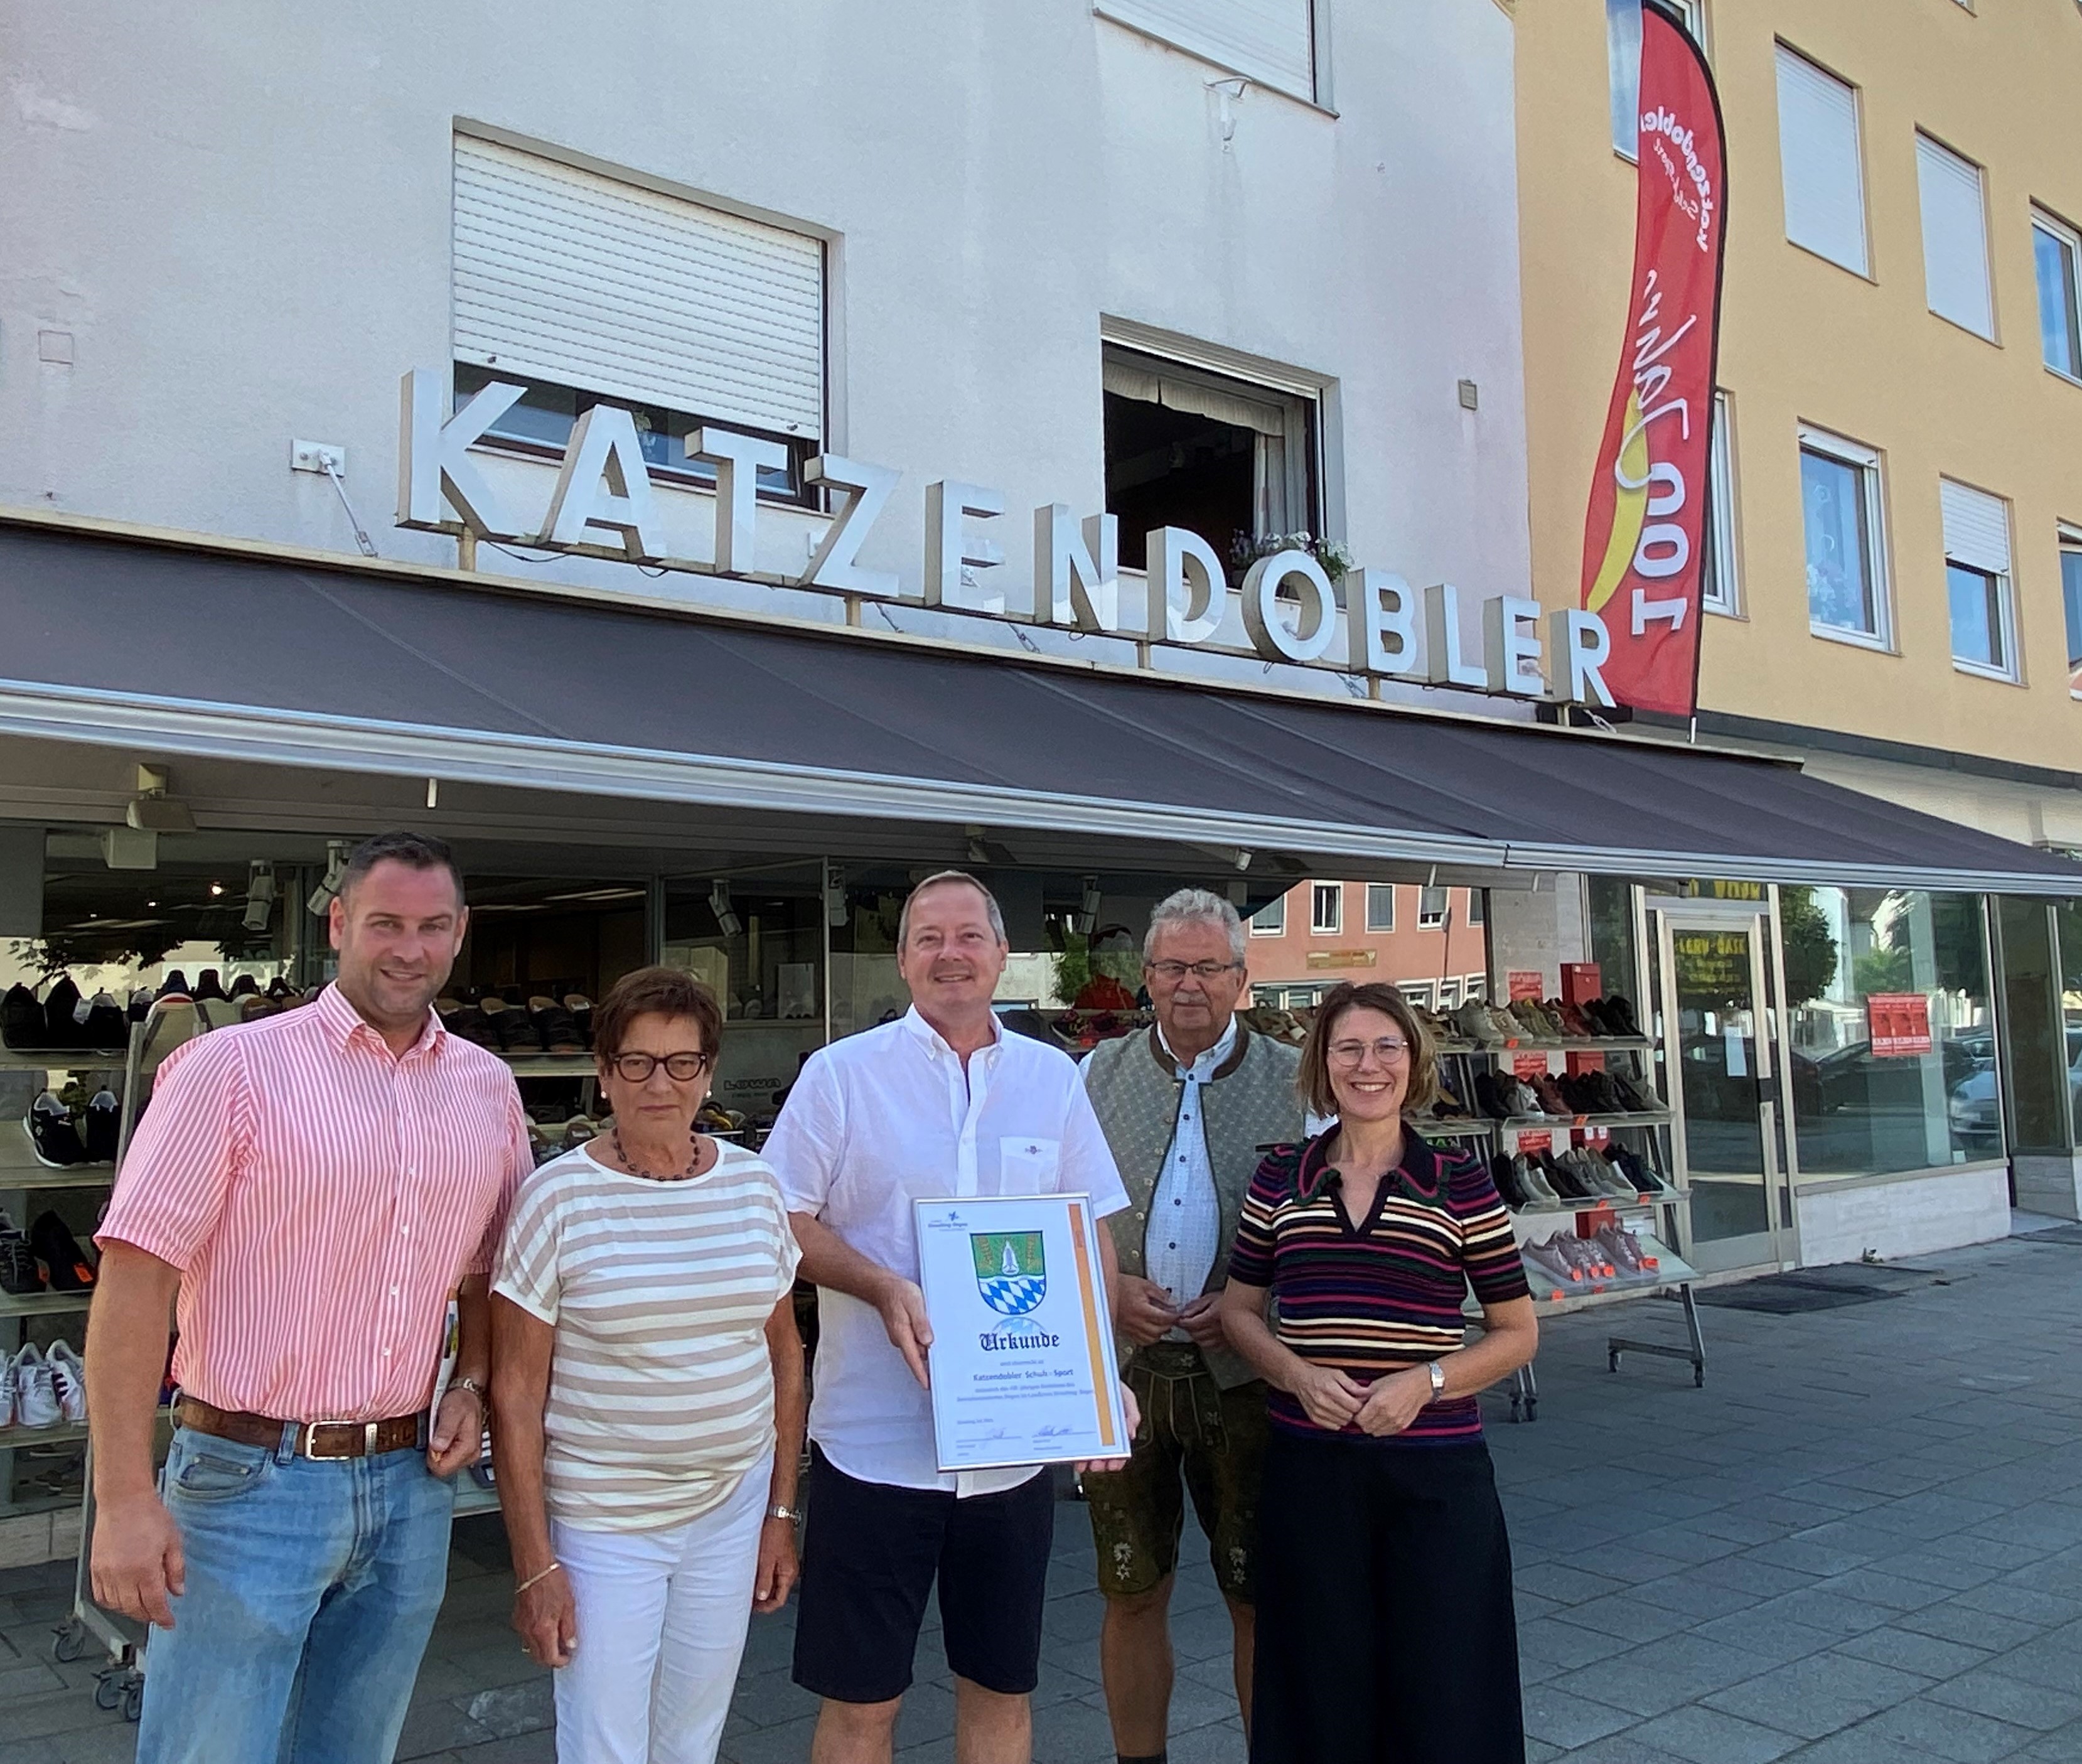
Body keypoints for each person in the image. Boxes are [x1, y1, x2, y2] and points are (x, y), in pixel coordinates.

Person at [85, 831, 530, 1764]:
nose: (408, 947)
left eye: (432, 925)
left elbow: (490, 1270)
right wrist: (124, 1495)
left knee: (352, 1750)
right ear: (338, 923)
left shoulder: (487, 1088)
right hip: (246, 1480)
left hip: (412, 1483)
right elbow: (135, 1278)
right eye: (385, 923)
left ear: (460, 934)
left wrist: (475, 1380)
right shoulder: (231, 1070)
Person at [765, 870, 1137, 1764]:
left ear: (1003, 955)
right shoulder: (841, 1076)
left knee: (1001, 1692)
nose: (950, 954)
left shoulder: (1052, 1079)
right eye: (929, 938)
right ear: (901, 961)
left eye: (969, 936)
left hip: (1011, 1458)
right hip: (874, 1445)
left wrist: (1101, 1371)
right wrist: (880, 1283)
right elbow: (781, 1218)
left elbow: (1088, 1233)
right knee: (862, 1706)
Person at [491, 965, 805, 1764]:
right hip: (606, 1525)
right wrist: (534, 1564)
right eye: (635, 1061)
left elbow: (784, 1357)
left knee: (691, 1738)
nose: (657, 1082)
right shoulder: (556, 1197)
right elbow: (517, 1393)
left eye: (680, 1061)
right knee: (605, 1744)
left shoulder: (755, 1186)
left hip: (730, 1514)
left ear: (708, 1071)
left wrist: (778, 1512)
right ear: (603, 1072)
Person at [1220, 981, 1538, 1764]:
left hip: (1435, 1477)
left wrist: (1424, 1382)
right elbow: (1237, 1312)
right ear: (1322, 1066)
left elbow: (1516, 1332)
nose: (1369, 1065)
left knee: (1445, 1688)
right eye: (1348, 1048)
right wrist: (1294, 1374)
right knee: (1316, 1686)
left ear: (1413, 1059)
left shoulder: (1461, 1181)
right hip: (1310, 1469)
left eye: (1386, 1046)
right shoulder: (1279, 1178)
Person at [1078, 890, 1301, 1763]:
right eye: (1171, 965)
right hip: (1126, 1371)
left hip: (1244, 1375)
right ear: (1146, 976)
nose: (1188, 984)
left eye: (1208, 967)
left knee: (1257, 1594)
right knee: (1129, 1589)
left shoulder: (1301, 1079)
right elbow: (1059, 1212)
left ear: (1242, 979)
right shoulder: (1092, 1074)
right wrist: (1108, 1291)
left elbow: (1325, 1231)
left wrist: (1257, 1309)